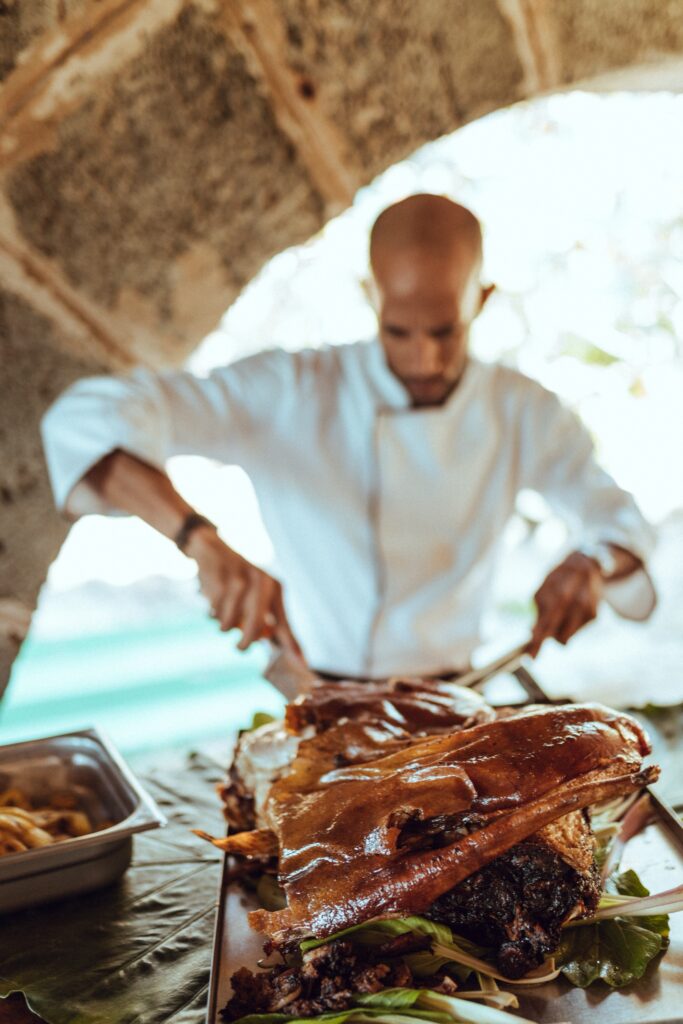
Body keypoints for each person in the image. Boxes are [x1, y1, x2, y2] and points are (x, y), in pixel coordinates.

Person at [41, 194, 655, 680]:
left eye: (447, 332)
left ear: (482, 301)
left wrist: (593, 560)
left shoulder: (522, 410)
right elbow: (89, 417)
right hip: (315, 694)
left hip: (452, 699)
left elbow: (620, 519)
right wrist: (199, 540)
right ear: (370, 299)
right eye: (399, 331)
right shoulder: (293, 388)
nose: (425, 360)